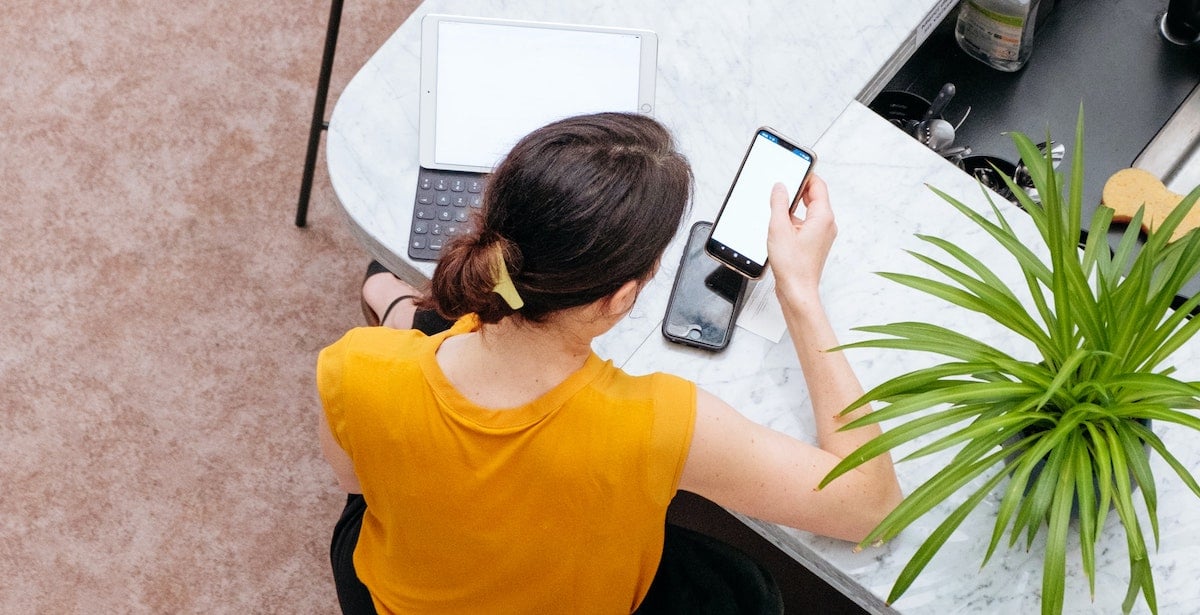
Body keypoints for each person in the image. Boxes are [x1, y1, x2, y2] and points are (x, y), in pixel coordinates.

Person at [317, 112, 903, 614]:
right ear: (621, 298)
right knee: (741, 590)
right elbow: (871, 507)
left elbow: (358, 488)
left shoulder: (350, 366)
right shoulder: (657, 423)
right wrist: (799, 291)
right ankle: (402, 306)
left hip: (390, 596)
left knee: (428, 335)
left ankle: (397, 305)